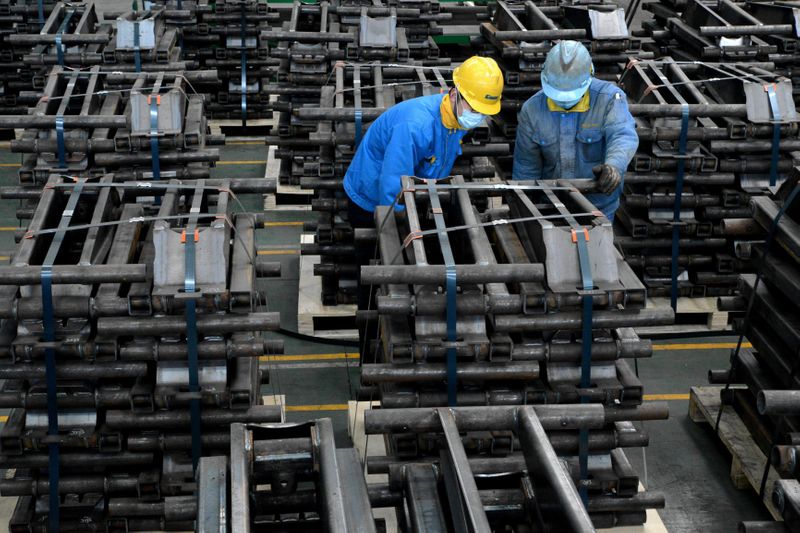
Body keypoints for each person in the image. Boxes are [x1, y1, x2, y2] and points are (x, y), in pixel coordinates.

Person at [343, 56, 504, 228]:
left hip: (413, 193)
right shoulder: (415, 127)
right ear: (454, 95)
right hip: (371, 197)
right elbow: (394, 183)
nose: (478, 117)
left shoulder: (456, 117)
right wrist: (400, 226)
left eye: (483, 112)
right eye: (475, 110)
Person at [512, 41, 638, 220]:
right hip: (550, 206)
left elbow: (622, 135)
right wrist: (523, 210)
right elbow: (526, 167)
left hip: (598, 206)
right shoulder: (532, 110)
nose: (563, 102)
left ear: (590, 77)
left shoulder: (609, 99)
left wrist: (614, 166)